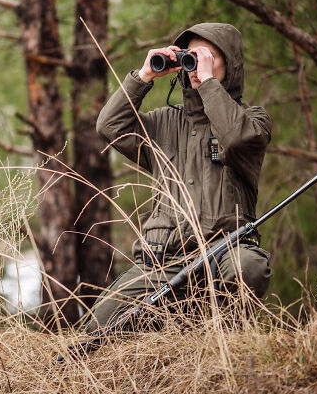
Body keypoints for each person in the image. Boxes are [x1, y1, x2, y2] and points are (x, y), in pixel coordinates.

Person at [83, 23, 273, 332]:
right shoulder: (163, 123)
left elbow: (236, 138)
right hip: (165, 260)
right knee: (99, 324)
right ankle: (172, 327)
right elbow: (110, 127)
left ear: (231, 63)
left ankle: (223, 338)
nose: (197, 63)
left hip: (225, 251)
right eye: (191, 55)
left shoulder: (253, 120)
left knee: (248, 267)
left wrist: (208, 82)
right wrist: (143, 76)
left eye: (207, 55)